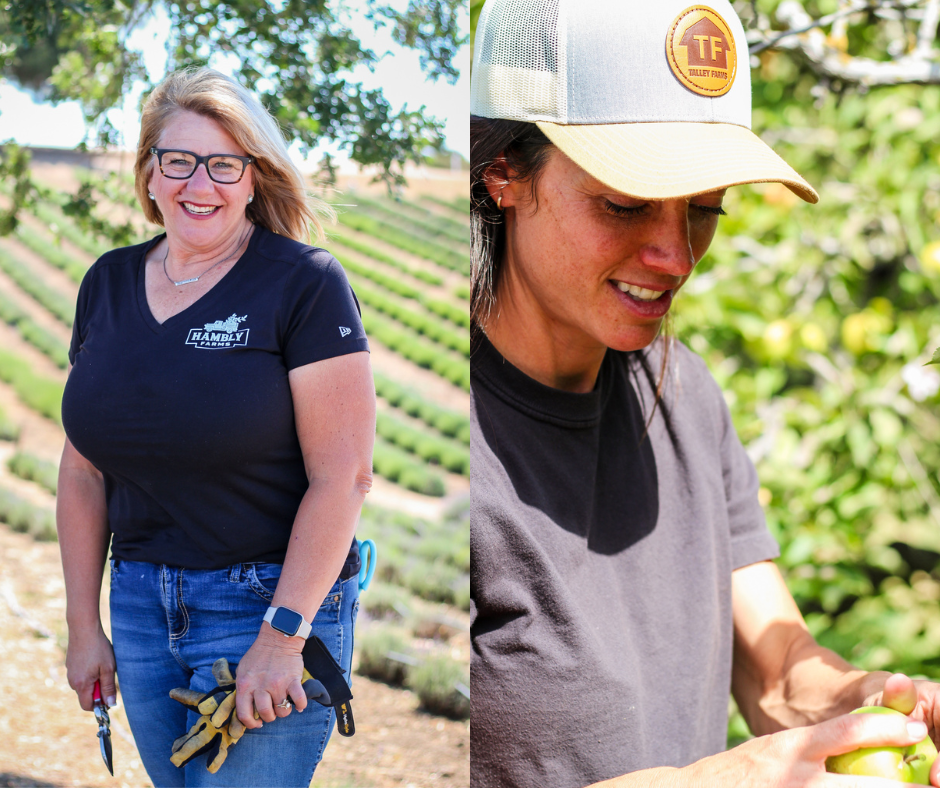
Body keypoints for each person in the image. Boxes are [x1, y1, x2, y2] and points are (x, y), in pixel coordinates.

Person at [469, 1, 940, 787]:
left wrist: (869, 702)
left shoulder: (679, 393)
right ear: (504, 173)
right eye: (623, 203)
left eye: (706, 208)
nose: (676, 256)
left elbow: (779, 669)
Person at [57, 67, 375, 788]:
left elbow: (344, 475)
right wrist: (86, 625)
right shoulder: (106, 283)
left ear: (253, 177)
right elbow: (82, 471)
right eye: (179, 160)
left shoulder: (303, 284)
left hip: (266, 604)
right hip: (139, 605)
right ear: (148, 173)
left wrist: (282, 634)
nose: (200, 183)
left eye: (224, 163)